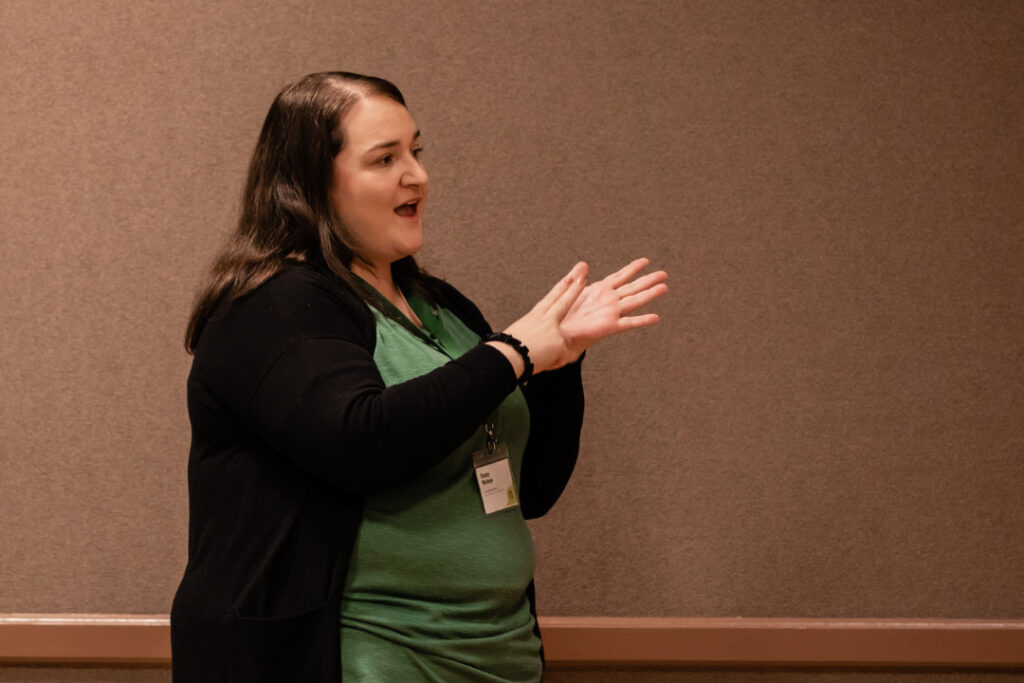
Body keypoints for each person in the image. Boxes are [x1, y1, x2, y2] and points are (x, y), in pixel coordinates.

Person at [170, 71, 667, 682]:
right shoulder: (276, 304)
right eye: (385, 159)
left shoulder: (442, 307)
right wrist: (512, 351)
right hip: (362, 654)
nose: (417, 176)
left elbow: (529, 489)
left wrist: (561, 362)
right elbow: (363, 442)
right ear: (309, 184)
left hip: (496, 654)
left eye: (416, 151)